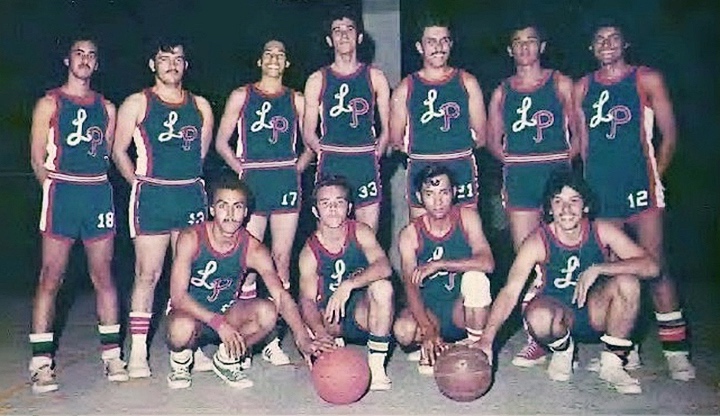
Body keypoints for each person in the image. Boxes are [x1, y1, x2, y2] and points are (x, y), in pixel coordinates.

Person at [573, 21, 695, 381]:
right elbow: (582, 145)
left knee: (654, 267)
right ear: (591, 48)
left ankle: (677, 353)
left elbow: (669, 135)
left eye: (613, 38)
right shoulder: (583, 86)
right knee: (614, 269)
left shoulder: (646, 78)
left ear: (625, 43)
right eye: (599, 39)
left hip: (640, 186)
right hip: (600, 191)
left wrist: (656, 176)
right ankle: (624, 349)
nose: (606, 44)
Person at [477, 170, 660, 394]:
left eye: (574, 201)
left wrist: (600, 268)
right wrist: (487, 339)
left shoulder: (601, 230)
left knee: (628, 282)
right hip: (559, 314)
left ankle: (612, 363)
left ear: (585, 206)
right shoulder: (538, 240)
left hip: (597, 313)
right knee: (538, 316)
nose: (566, 209)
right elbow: (510, 291)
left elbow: (651, 267)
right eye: (558, 202)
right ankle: (563, 349)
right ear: (549, 208)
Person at [27, 37, 128, 394]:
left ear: (96, 64)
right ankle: (40, 362)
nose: (85, 60)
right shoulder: (49, 102)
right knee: (51, 276)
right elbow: (38, 156)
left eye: (91, 55)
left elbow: (106, 154)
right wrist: (53, 191)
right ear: (67, 60)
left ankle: (113, 354)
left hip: (97, 191)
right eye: (79, 54)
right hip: (62, 190)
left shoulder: (108, 108)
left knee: (103, 275)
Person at [165, 174, 326, 389]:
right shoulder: (191, 237)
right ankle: (181, 360)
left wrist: (301, 336)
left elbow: (280, 295)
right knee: (180, 329)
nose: (230, 214)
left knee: (268, 311)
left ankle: (227, 359)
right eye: (223, 206)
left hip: (227, 313)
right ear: (212, 210)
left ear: (246, 212)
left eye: (238, 207)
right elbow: (177, 296)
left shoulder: (254, 248)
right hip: (192, 314)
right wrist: (218, 324)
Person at [112, 37, 214, 378]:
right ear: (152, 64)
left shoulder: (201, 105)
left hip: (188, 195)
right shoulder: (137, 102)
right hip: (152, 195)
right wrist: (139, 184)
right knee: (148, 273)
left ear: (186, 65)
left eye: (178, 59)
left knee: (188, 275)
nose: (172, 64)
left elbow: (199, 155)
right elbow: (118, 151)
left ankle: (188, 345)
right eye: (164, 58)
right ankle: (138, 352)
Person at [486, 23, 579, 368]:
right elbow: (493, 141)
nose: (525, 48)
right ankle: (537, 338)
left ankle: (582, 325)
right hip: (521, 176)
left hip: (556, 173)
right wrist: (518, 161)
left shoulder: (561, 83)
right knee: (527, 257)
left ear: (542, 46)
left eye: (531, 41)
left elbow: (580, 134)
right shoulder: (502, 91)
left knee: (568, 248)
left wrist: (560, 165)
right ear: (510, 50)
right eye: (517, 42)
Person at [215, 39, 313, 367]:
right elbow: (220, 142)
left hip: (285, 179)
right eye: (268, 54)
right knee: (249, 260)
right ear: (260, 60)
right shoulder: (242, 95)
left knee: (281, 259)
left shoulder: (297, 99)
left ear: (287, 63)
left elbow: (312, 142)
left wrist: (295, 169)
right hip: (253, 181)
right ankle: (243, 331)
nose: (274, 59)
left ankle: (272, 338)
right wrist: (243, 171)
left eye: (280, 55)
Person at [392, 164, 495, 375]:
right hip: (430, 311)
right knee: (402, 330)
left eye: (444, 193)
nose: (438, 201)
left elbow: (488, 263)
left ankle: (475, 347)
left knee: (477, 278)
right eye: (430, 194)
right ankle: (432, 345)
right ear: (419, 197)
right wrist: (428, 329)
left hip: (462, 310)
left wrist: (440, 264)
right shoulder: (410, 234)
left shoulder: (467, 218)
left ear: (454, 193)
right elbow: (410, 287)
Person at [298, 175, 395, 391]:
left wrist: (348, 285)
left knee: (383, 287)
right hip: (330, 317)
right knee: (316, 342)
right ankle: (332, 343)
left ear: (349, 207)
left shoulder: (360, 231)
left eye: (339, 202)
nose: (333, 209)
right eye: (325, 203)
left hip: (360, 313)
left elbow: (384, 266)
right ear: (315, 211)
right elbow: (306, 299)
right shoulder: (309, 251)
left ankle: (376, 367)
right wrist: (319, 331)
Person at [389, 16, 487, 220]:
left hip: (460, 168)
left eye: (444, 40)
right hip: (421, 169)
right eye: (431, 41)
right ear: (419, 46)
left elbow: (481, 136)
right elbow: (396, 140)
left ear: (451, 44)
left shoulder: (467, 82)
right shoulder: (406, 88)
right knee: (421, 238)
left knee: (466, 237)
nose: (438, 47)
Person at [303, 7, 391, 230]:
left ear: (359, 37)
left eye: (349, 29)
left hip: (364, 162)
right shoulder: (317, 79)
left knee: (367, 235)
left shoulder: (375, 77)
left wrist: (375, 152)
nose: (343, 35)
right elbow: (308, 132)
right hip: (332, 162)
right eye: (337, 30)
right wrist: (326, 153)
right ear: (329, 40)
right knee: (330, 234)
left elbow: (387, 128)